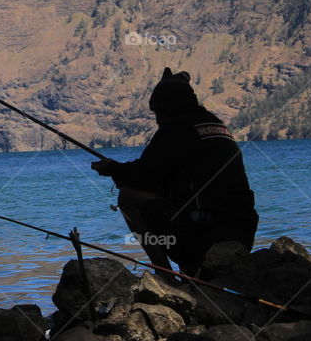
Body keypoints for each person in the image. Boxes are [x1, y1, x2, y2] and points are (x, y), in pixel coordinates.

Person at [92, 68, 258, 279]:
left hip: (208, 233)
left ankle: (164, 276)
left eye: (159, 112)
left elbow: (143, 175)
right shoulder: (214, 122)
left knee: (128, 196)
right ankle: (192, 272)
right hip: (243, 231)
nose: (157, 120)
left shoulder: (176, 128)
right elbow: (157, 170)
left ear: (170, 107)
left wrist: (114, 169)